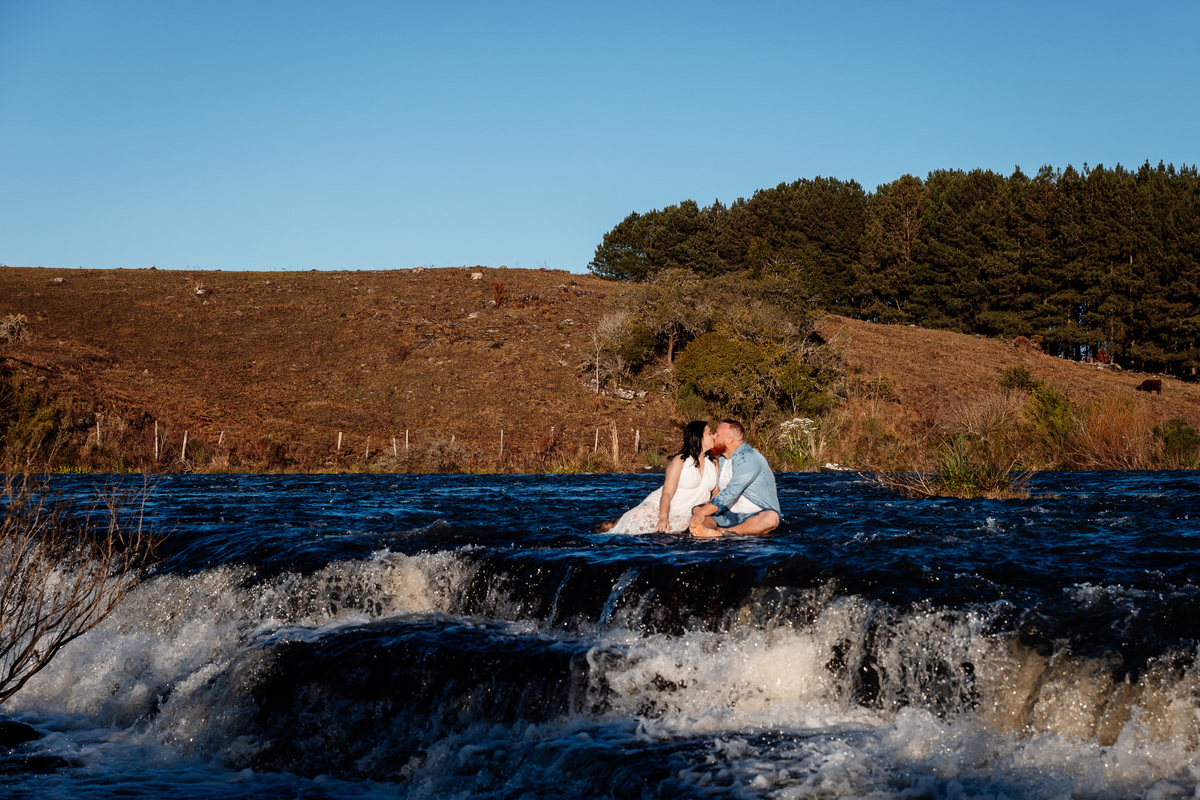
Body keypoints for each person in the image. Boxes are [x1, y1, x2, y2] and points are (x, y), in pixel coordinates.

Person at [606, 421, 718, 534]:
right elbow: (667, 493)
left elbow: (716, 491)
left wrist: (711, 503)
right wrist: (663, 518)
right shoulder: (681, 461)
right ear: (699, 437)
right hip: (661, 508)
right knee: (629, 524)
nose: (713, 436)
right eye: (709, 433)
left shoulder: (713, 464)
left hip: (687, 513)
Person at [689, 419, 780, 537]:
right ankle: (708, 530)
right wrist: (706, 507)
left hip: (755, 514)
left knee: (771, 519)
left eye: (717, 434)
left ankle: (725, 532)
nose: (714, 437)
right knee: (697, 509)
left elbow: (732, 492)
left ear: (729, 440)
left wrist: (702, 512)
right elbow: (720, 491)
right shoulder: (722, 459)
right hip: (729, 515)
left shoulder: (749, 458)